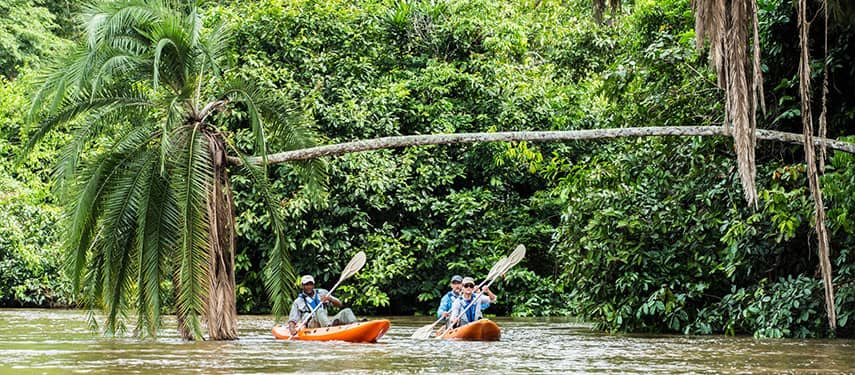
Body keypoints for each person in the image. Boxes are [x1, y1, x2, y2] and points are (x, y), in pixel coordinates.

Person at [288, 275, 357, 335]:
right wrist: (292, 329)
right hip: (312, 324)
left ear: (313, 285)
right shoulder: (298, 301)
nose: (309, 286)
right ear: (302, 286)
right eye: (306, 284)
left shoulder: (323, 292)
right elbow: (292, 320)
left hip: (325, 321)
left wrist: (330, 299)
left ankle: (356, 326)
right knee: (319, 310)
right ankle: (329, 329)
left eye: (311, 284)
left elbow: (339, 305)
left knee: (347, 311)